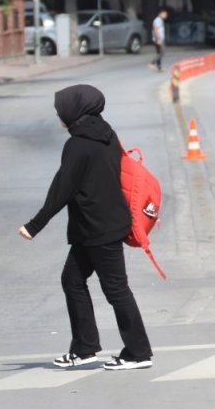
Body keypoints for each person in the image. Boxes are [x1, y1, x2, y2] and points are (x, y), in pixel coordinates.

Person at [18, 84, 154, 371]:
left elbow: (62, 189)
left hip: (99, 228)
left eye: (61, 109)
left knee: (116, 290)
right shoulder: (107, 134)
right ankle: (84, 348)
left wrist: (34, 225)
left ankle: (138, 352)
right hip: (96, 226)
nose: (59, 114)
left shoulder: (77, 145)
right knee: (72, 280)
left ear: (75, 110)